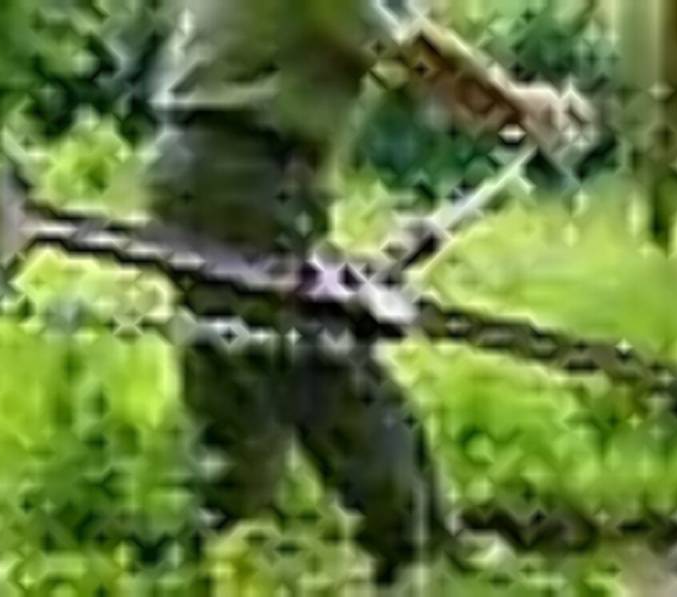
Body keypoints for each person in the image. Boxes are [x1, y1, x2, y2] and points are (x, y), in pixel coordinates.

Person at [145, 0, 590, 583]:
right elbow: (412, 49)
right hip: (242, 169)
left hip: (208, 164)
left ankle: (228, 552)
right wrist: (517, 106)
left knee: (234, 366)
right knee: (324, 363)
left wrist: (499, 107)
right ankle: (418, 552)